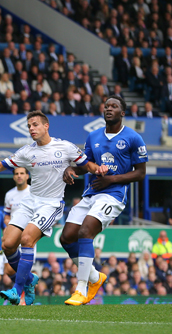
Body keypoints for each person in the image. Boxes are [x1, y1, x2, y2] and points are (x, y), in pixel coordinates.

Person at [0, 110, 106, 306]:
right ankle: (29, 280)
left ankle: (17, 290)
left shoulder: (65, 147)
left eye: (34, 125)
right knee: (7, 245)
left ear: (46, 126)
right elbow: (0, 166)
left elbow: (87, 165)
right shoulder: (27, 151)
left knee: (26, 238)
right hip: (30, 201)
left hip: (51, 204)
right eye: (29, 126)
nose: (31, 129)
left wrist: (98, 169)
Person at [61, 96, 148, 306]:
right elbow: (86, 165)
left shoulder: (134, 138)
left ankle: (81, 289)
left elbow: (141, 173)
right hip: (92, 192)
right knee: (67, 237)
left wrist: (112, 179)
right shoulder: (93, 136)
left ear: (123, 112)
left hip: (114, 194)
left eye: (114, 106)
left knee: (85, 232)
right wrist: (72, 169)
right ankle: (94, 277)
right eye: (106, 106)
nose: (109, 109)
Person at [3, 167, 31, 277]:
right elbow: (6, 216)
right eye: (16, 173)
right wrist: (8, 226)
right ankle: (27, 284)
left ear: (27, 176)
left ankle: (22, 291)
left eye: (22, 173)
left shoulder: (33, 193)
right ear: (14, 177)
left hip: (27, 234)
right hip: (12, 234)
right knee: (9, 270)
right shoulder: (9, 194)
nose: (19, 175)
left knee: (23, 266)